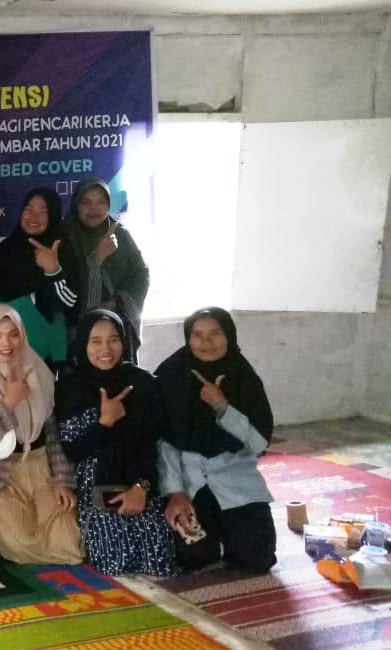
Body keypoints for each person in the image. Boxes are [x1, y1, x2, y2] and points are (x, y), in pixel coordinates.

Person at [0, 305, 82, 565]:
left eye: (13, 334)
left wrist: (62, 479)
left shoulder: (39, 371)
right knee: (19, 544)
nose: (6, 343)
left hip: (41, 466)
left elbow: (53, 431)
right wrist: (9, 402)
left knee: (70, 542)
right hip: (2, 473)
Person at [55, 310, 176, 576]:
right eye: (95, 341)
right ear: (83, 343)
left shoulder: (142, 383)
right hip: (96, 484)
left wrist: (141, 486)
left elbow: (152, 443)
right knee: (114, 562)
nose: (106, 349)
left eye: (113, 339)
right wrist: (104, 423)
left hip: (141, 479)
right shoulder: (70, 387)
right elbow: (73, 449)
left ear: (124, 341)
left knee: (160, 561)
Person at [156, 308, 276, 573]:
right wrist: (175, 493)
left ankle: (230, 530)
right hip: (188, 484)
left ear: (229, 336)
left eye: (215, 334)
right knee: (192, 556)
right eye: (197, 335)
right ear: (188, 338)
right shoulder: (172, 374)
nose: (206, 343)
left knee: (257, 558)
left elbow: (259, 443)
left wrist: (222, 407)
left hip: (236, 479)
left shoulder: (244, 377)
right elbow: (163, 442)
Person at [0, 188, 80, 368]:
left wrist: (53, 270)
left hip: (44, 352)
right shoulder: (7, 247)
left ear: (53, 215)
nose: (34, 217)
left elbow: (69, 302)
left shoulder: (62, 249)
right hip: (5, 349)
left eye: (43, 212)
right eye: (28, 209)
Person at [63, 178, 149, 356]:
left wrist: (117, 301)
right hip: (75, 330)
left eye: (101, 202)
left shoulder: (121, 234)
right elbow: (62, 287)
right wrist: (96, 259)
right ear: (76, 205)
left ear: (109, 205)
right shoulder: (64, 237)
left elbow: (141, 274)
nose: (94, 209)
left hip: (119, 324)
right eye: (86, 202)